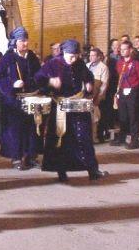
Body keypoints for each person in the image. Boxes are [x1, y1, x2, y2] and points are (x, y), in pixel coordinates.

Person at [35, 39, 108, 182]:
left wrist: (88, 84)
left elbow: (88, 76)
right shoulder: (53, 63)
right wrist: (50, 82)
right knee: (61, 141)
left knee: (84, 138)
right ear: (64, 53)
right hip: (60, 107)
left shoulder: (79, 63)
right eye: (71, 56)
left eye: (76, 56)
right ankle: (61, 173)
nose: (73, 59)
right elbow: (38, 78)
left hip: (77, 105)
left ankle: (92, 170)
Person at [0, 26, 41, 170]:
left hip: (30, 97)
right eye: (22, 41)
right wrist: (12, 84)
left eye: (26, 40)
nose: (25, 43)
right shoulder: (9, 57)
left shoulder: (32, 57)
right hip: (14, 100)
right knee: (15, 130)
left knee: (32, 129)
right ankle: (16, 158)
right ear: (15, 42)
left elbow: (39, 74)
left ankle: (31, 157)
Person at [110, 40, 139, 149]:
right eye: (121, 49)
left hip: (133, 91)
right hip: (122, 90)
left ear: (130, 50)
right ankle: (122, 137)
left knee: (133, 117)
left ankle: (135, 141)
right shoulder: (120, 63)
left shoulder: (137, 64)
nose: (122, 51)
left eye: (125, 49)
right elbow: (119, 76)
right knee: (123, 116)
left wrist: (135, 90)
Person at [87, 48, 109, 143]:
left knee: (97, 118)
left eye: (93, 55)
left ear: (99, 56)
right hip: (88, 96)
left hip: (97, 97)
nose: (91, 57)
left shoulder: (103, 67)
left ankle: (97, 136)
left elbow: (104, 83)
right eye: (90, 55)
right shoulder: (87, 65)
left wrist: (98, 97)